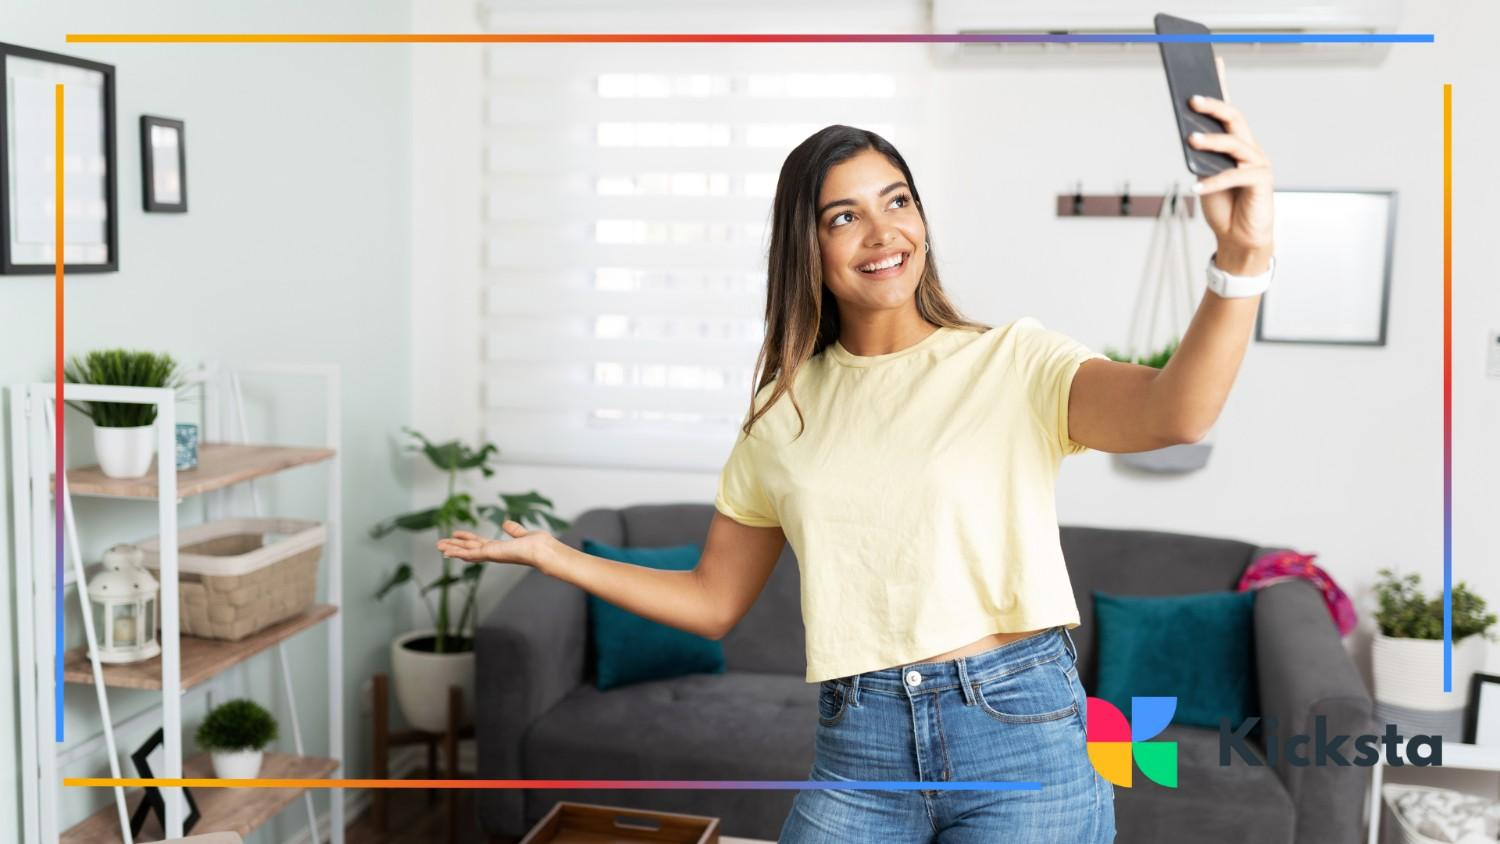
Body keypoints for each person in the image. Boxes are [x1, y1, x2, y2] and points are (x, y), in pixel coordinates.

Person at [438, 64, 1275, 844]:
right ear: (807, 245)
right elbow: (712, 600)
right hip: (859, 745)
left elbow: (1178, 412)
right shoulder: (782, 414)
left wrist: (1240, 263)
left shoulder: (1012, 361)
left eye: (897, 200)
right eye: (845, 216)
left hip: (1021, 731)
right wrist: (556, 556)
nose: (883, 232)